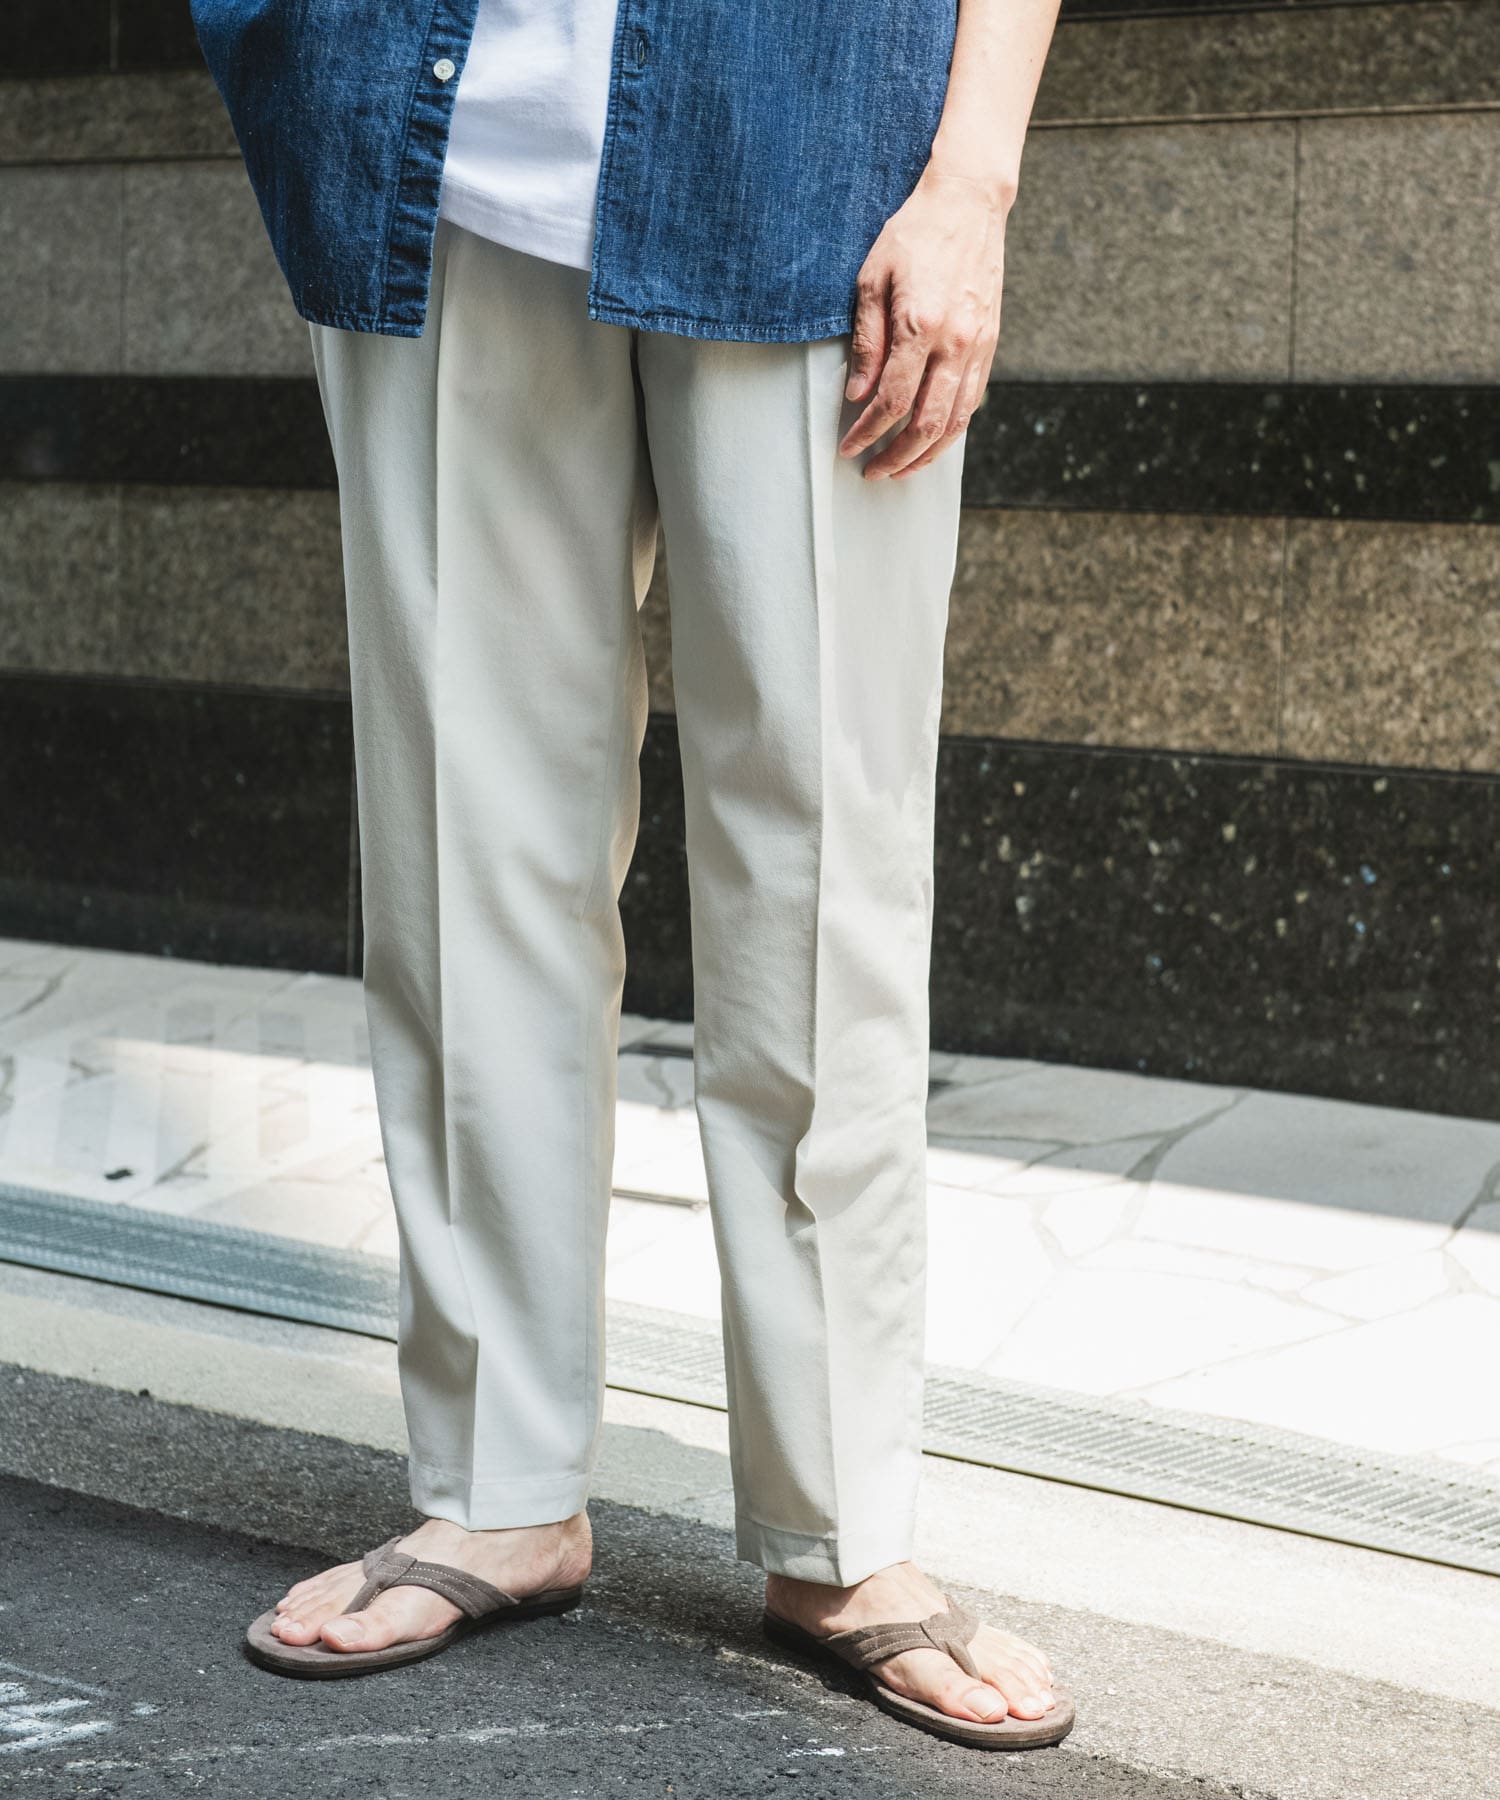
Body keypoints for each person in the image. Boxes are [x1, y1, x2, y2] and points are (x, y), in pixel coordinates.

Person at [191, 0, 1071, 1751]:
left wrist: (971, 179)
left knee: (821, 873)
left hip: (819, 163)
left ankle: (841, 1527)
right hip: (435, 153)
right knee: (463, 860)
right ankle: (496, 1488)